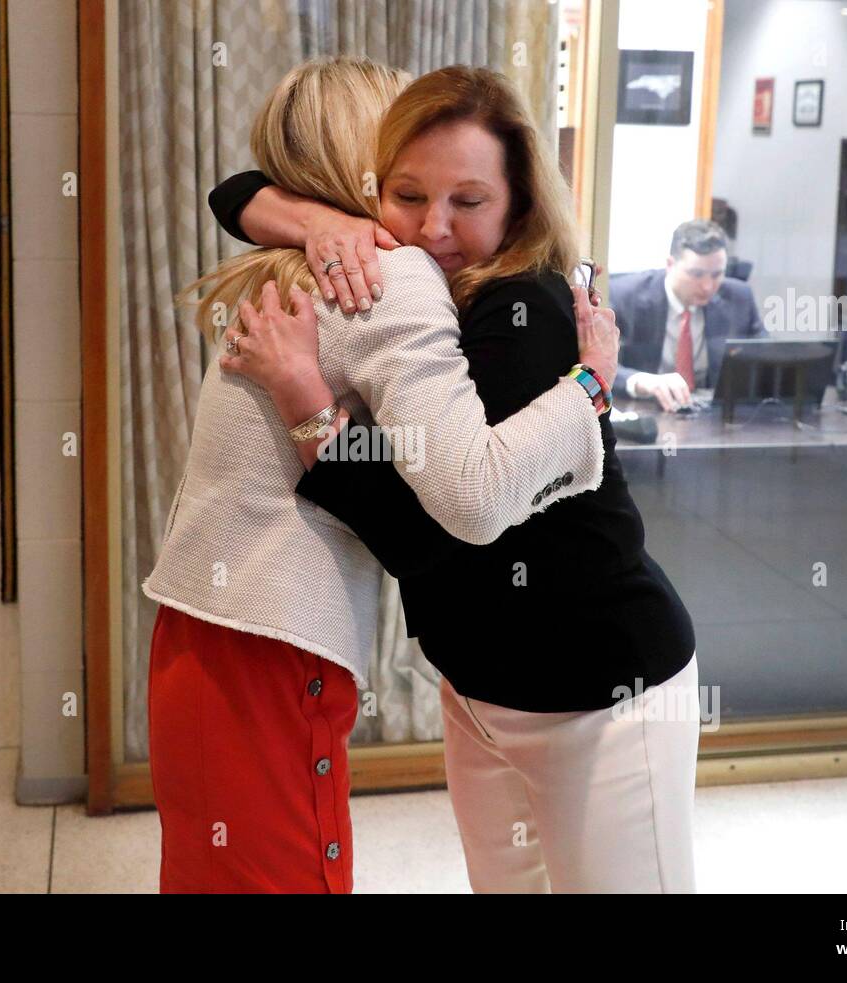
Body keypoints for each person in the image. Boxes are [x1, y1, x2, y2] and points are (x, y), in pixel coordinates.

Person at [216, 65, 700, 893]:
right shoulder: (417, 287)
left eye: (468, 203)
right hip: (479, 688)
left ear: (518, 205)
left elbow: (434, 532)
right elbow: (237, 192)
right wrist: (325, 221)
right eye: (408, 194)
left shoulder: (523, 312)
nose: (433, 227)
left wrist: (307, 405)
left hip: (602, 692)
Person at [609, 219, 768, 411]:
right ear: (670, 265)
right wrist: (640, 381)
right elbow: (595, 366)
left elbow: (765, 357)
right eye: (696, 274)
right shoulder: (624, 297)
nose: (708, 286)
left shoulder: (739, 298)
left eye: (717, 274)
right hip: (646, 411)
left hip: (710, 416)